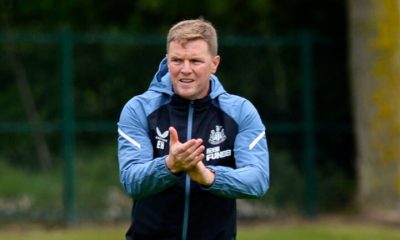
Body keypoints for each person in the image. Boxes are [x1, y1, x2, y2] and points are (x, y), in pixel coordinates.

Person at [117, 18, 269, 240]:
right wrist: (169, 165)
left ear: (214, 63)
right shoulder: (138, 109)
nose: (185, 70)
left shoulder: (240, 111)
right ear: (167, 60)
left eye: (195, 61)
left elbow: (257, 181)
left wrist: (208, 176)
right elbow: (132, 180)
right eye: (177, 60)